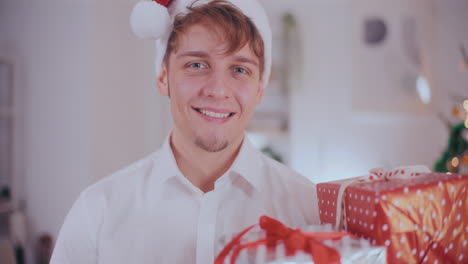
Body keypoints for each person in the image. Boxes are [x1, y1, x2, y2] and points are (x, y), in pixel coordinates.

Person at [51, 0, 319, 263]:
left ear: (259, 89)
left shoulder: (309, 209)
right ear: (163, 76)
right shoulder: (96, 212)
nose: (218, 90)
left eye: (239, 69)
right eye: (197, 65)